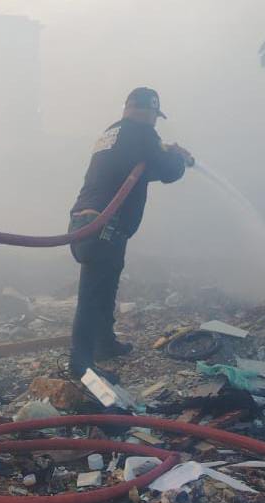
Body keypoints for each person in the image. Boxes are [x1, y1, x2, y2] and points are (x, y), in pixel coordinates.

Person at [68, 87, 193, 380]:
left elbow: (141, 169)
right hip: (103, 223)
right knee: (92, 294)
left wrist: (164, 152)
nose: (155, 122)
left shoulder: (113, 133)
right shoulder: (141, 133)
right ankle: (80, 363)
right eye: (155, 116)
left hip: (89, 220)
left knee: (105, 286)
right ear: (148, 111)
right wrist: (178, 158)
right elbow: (168, 171)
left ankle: (104, 344)